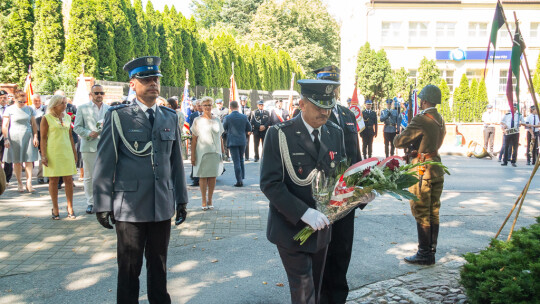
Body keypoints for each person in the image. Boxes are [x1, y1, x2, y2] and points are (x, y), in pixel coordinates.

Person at [93, 56, 188, 303]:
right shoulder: (118, 116)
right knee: (129, 268)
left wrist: (181, 199)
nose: (153, 84)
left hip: (161, 204)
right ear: (132, 84)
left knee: (159, 265)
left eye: (155, 79)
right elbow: (104, 163)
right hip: (130, 207)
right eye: (146, 80)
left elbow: (176, 163)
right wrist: (102, 204)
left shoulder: (170, 116)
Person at [260, 79, 347, 304]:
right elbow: (270, 183)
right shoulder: (279, 134)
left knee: (316, 289)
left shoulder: (334, 133)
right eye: (318, 106)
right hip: (291, 228)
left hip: (322, 228)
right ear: (302, 104)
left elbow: (341, 176)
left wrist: (359, 193)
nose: (325, 112)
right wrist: (304, 213)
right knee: (304, 291)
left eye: (328, 106)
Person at [312, 65, 365, 304]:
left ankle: (338, 300)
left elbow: (357, 155)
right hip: (320, 199)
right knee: (321, 254)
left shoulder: (348, 115)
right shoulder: (306, 115)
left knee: (342, 252)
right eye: (325, 86)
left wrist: (364, 188)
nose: (330, 92)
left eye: (333, 87)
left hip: (347, 199)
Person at [394, 85, 446, 265]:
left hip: (422, 170)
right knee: (433, 211)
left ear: (424, 101)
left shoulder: (421, 119)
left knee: (421, 210)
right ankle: (431, 251)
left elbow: (399, 142)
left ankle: (424, 253)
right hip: (436, 167)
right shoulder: (439, 118)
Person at [73, 84, 110, 214]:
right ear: (91, 94)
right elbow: (76, 127)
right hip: (89, 146)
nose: (99, 95)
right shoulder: (82, 108)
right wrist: (89, 133)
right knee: (89, 176)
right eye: (96, 93)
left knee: (105, 175)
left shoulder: (109, 109)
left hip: (106, 146)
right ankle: (91, 202)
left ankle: (104, 201)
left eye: (101, 93)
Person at [40, 95, 78, 219]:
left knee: (69, 179)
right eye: (62, 103)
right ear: (55, 104)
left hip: (66, 152)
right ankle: (55, 208)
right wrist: (44, 155)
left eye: (65, 103)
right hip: (53, 152)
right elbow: (43, 138)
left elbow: (71, 136)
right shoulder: (46, 118)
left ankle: (70, 207)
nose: (65, 105)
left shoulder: (67, 117)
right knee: (53, 180)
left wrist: (74, 152)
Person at [1, 90, 39, 193]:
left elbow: (34, 124)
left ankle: (29, 182)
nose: (22, 103)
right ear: (14, 100)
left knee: (29, 160)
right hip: (14, 137)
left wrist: (35, 136)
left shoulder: (30, 109)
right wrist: (6, 138)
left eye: (24, 101)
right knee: (17, 162)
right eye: (20, 101)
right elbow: (5, 125)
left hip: (28, 136)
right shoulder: (9, 109)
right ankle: (19, 182)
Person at [191, 96, 224, 210]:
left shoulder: (217, 120)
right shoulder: (197, 120)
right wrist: (192, 156)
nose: (207, 107)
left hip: (215, 152)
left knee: (213, 176)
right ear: (201, 107)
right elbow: (194, 139)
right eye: (205, 105)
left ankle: (210, 199)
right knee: (203, 176)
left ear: (212, 106)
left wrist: (223, 152)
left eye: (209, 105)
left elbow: (220, 137)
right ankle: (203, 200)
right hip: (202, 152)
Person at [223, 100, 252, 187]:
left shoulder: (227, 117)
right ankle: (241, 177)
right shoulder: (244, 117)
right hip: (242, 140)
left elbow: (224, 128)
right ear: (238, 107)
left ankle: (239, 180)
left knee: (236, 161)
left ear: (230, 107)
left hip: (232, 141)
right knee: (241, 159)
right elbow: (249, 128)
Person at [31, 94, 47, 184]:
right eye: (35, 101)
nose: (37, 102)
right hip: (32, 134)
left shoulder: (45, 109)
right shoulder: (29, 109)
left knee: (43, 155)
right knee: (31, 156)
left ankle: (41, 175)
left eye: (39, 101)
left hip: (42, 134)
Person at [0, 90, 13, 185]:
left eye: (4, 97)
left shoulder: (11, 109)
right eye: (1, 98)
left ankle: (7, 178)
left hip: (8, 136)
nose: (3, 99)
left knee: (8, 158)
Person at [189, 99, 202, 186]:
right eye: (198, 105)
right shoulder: (193, 115)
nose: (199, 107)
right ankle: (195, 178)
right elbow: (191, 127)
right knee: (195, 158)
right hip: (195, 140)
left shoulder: (208, 115)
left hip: (205, 141)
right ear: (196, 107)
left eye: (201, 105)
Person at [239, 96, 253, 161]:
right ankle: (240, 156)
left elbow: (250, 120)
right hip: (239, 129)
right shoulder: (238, 109)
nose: (243, 102)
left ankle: (247, 157)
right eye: (242, 101)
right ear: (240, 101)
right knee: (239, 143)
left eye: (244, 101)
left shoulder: (249, 109)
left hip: (246, 129)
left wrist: (250, 129)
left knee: (246, 143)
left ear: (246, 101)